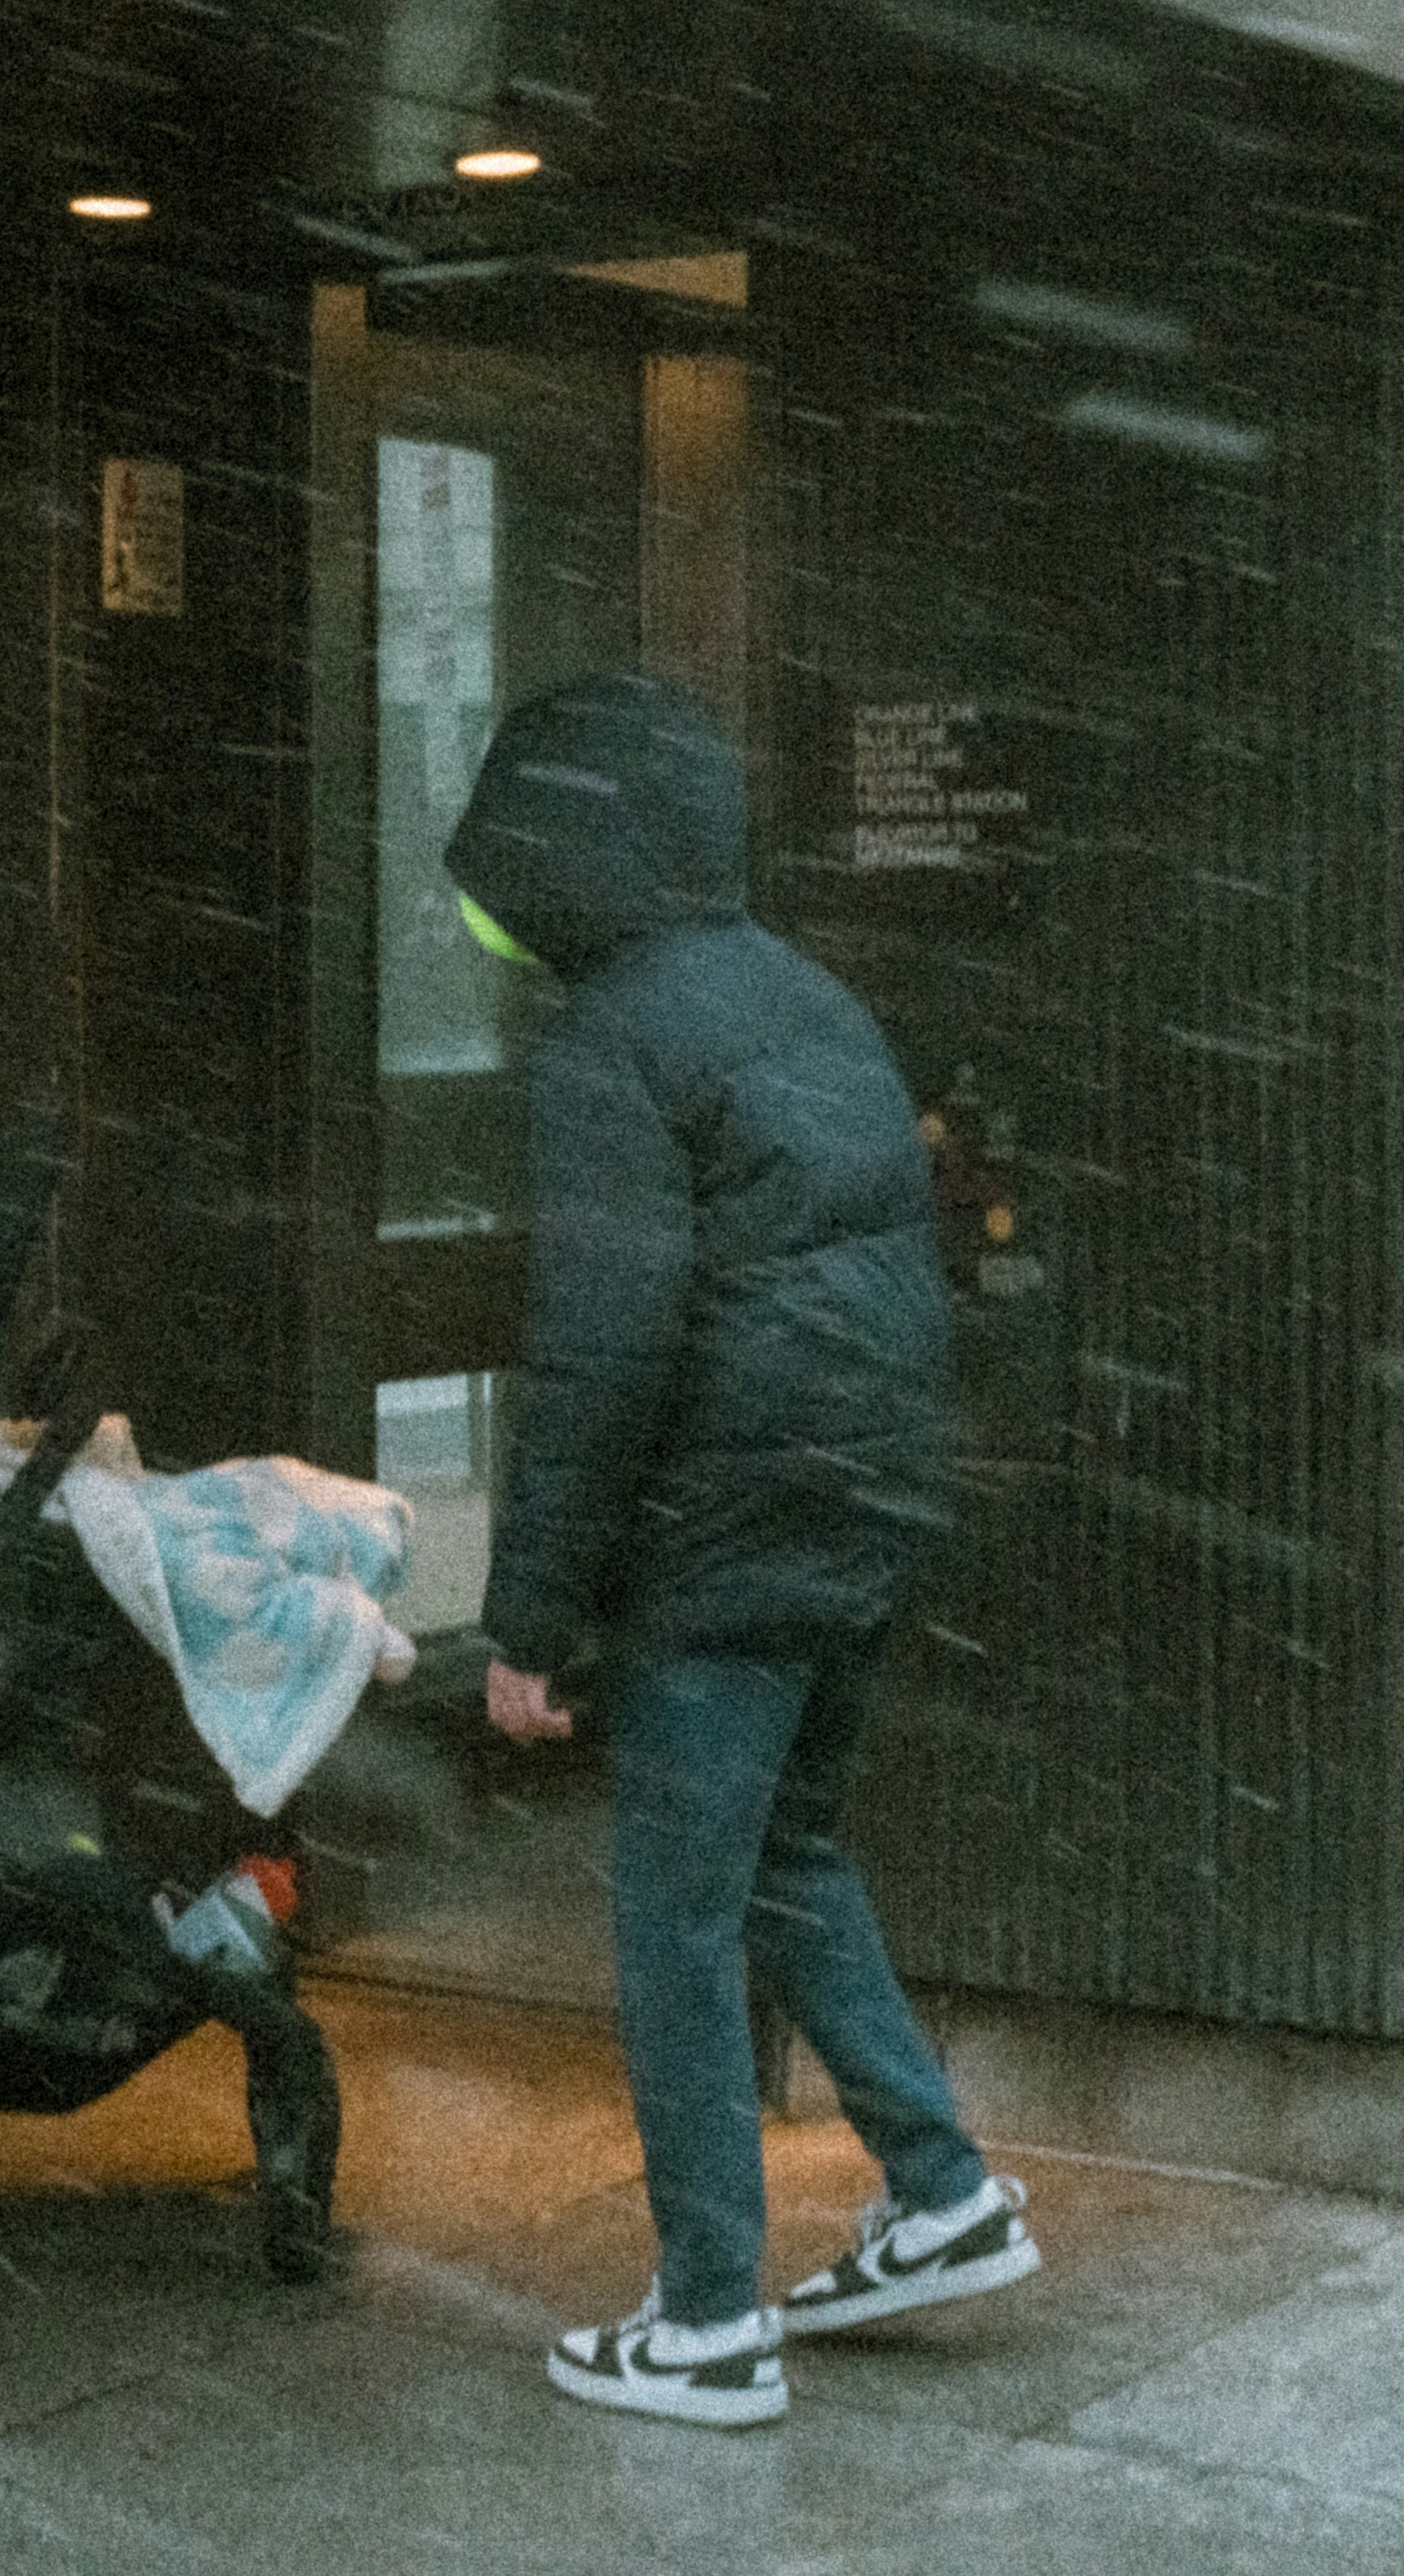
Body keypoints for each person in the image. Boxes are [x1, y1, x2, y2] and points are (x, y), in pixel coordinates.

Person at [444, 672, 1039, 2432]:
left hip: (728, 1535)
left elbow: (602, 1351)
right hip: (863, 1506)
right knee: (790, 1857)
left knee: (675, 1917)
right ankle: (938, 2193)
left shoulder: (615, 1040)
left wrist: (530, 1619)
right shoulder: (805, 997)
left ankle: (707, 2314)